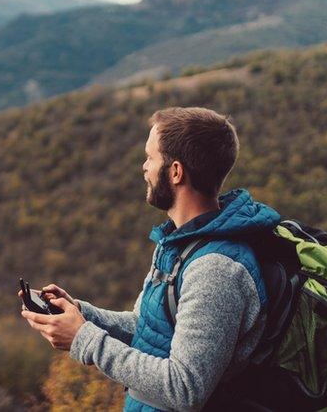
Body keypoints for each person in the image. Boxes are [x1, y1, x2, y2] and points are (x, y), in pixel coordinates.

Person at [21, 106, 280, 411]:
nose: (144, 167)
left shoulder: (215, 270)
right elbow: (148, 328)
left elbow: (184, 387)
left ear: (175, 172)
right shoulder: (179, 243)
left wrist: (84, 339)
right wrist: (81, 314)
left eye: (150, 157)